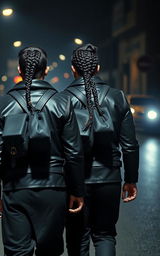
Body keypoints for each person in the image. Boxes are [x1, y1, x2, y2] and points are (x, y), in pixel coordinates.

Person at [0, 46, 85, 256]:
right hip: (54, 187)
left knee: (17, 252)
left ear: (20, 71)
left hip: (15, 187)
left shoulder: (2, 103)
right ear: (46, 70)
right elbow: (74, 152)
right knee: (49, 251)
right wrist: (77, 191)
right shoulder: (62, 102)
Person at [63, 43, 139, 256]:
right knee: (105, 235)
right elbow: (130, 145)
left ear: (73, 69)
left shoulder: (62, 99)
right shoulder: (117, 97)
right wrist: (131, 179)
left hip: (75, 180)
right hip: (110, 177)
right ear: (97, 68)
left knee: (77, 236)